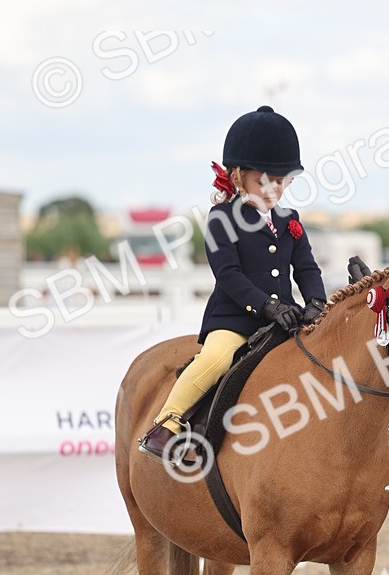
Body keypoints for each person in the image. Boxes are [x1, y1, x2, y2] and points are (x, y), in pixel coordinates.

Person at [139, 105, 327, 462]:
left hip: (287, 317)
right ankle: (168, 423)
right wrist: (268, 306)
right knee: (215, 358)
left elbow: (306, 268)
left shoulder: (290, 219)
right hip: (237, 319)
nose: (273, 189)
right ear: (238, 176)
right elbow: (228, 275)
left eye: (281, 180)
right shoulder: (221, 218)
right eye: (264, 180)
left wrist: (316, 303)